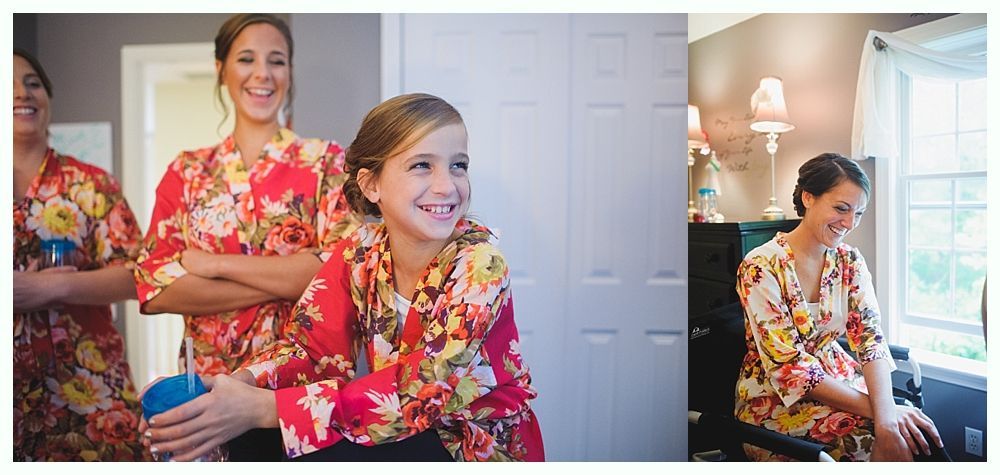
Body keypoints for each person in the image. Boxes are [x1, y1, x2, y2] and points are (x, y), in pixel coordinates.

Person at [140, 93, 545, 462]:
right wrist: (233, 386)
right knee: (243, 439)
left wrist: (265, 408)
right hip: (402, 431)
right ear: (371, 185)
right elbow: (310, 349)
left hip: (470, 442)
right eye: (422, 165)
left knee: (279, 431)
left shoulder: (479, 264)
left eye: (458, 165)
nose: (446, 185)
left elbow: (423, 392)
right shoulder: (360, 251)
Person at [132, 14, 359, 460]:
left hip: (300, 392)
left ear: (290, 72)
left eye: (277, 61)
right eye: (246, 59)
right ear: (221, 69)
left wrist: (214, 265)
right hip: (205, 389)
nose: (263, 74)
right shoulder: (187, 172)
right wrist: (292, 275)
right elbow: (153, 288)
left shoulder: (327, 163)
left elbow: (340, 273)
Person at [734, 153, 944, 461]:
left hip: (837, 375)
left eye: (858, 213)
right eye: (841, 208)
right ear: (808, 197)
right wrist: (883, 415)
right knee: (863, 444)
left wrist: (887, 419)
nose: (849, 223)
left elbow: (870, 340)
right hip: (775, 400)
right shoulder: (760, 267)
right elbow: (791, 369)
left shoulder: (849, 261)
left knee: (913, 432)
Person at [13, 48, 148, 461]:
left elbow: (139, 275)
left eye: (32, 83)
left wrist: (49, 287)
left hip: (89, 388)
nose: (22, 93)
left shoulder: (90, 184)